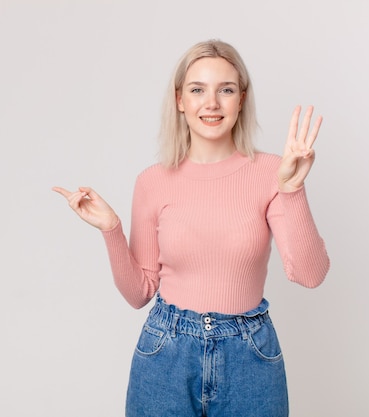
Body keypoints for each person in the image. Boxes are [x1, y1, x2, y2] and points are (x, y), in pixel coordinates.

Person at [52, 39, 329, 417]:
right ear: (180, 99)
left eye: (225, 90)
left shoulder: (271, 172)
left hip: (249, 354)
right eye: (198, 89)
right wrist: (111, 229)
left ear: (241, 99)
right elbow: (139, 293)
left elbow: (310, 274)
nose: (211, 103)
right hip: (166, 352)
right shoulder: (153, 181)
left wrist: (292, 189)